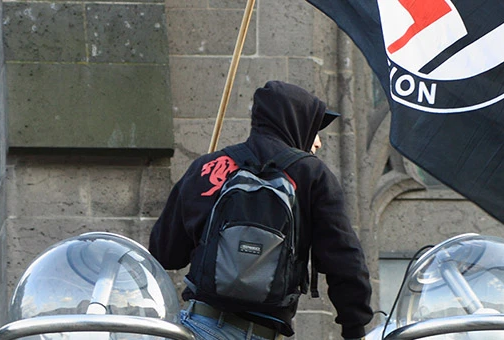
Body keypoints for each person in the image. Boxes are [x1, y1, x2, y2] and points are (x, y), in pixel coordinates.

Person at [149, 80, 373, 340]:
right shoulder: (312, 174)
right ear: (294, 122)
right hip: (260, 332)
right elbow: (345, 260)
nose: (318, 143)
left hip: (197, 328)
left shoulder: (208, 166)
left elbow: (164, 254)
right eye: (315, 129)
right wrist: (355, 328)